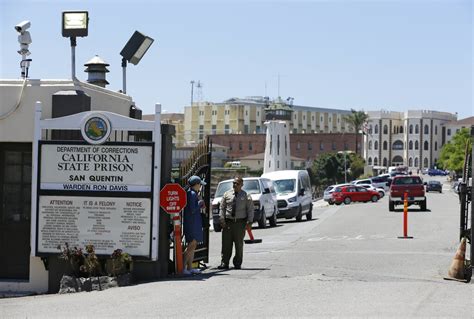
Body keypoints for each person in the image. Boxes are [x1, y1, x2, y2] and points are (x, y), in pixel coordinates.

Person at [218, 176, 254, 270]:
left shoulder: (246, 195)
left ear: (241, 185)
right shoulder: (227, 194)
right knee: (226, 244)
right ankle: (224, 263)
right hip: (228, 223)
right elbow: (222, 207)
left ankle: (237, 263)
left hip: (240, 224)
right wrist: (222, 219)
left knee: (239, 245)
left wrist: (250, 222)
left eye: (237, 183)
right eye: (234, 183)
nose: (235, 185)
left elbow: (250, 209)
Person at [183, 175, 206, 275]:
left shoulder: (193, 193)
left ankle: (190, 267)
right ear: (196, 184)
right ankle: (183, 267)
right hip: (192, 223)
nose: (200, 186)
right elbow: (192, 209)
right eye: (199, 184)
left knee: (193, 245)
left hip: (194, 222)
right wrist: (200, 203)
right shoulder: (191, 194)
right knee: (191, 246)